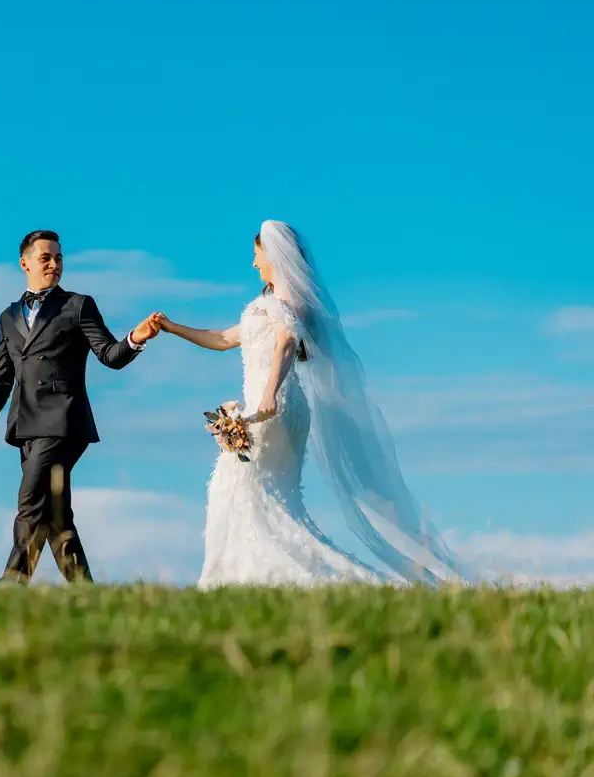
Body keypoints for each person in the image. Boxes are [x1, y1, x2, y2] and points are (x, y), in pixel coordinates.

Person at [152, 220, 472, 587]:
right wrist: (173, 327)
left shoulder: (292, 301)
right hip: (267, 403)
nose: (254, 264)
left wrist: (270, 390)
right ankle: (244, 576)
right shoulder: (268, 303)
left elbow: (288, 343)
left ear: (273, 254)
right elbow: (224, 338)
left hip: (274, 405)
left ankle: (259, 576)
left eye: (257, 255)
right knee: (262, 493)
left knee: (243, 481)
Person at [0, 229, 161, 583]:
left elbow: (109, 355)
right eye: (46, 258)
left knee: (30, 501)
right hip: (25, 425)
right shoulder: (7, 317)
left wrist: (136, 339)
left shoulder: (78, 305)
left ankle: (10, 586)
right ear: (25, 263)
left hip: (63, 421)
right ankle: (85, 592)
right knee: (57, 516)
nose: (55, 264)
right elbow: (1, 374)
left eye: (59, 258)